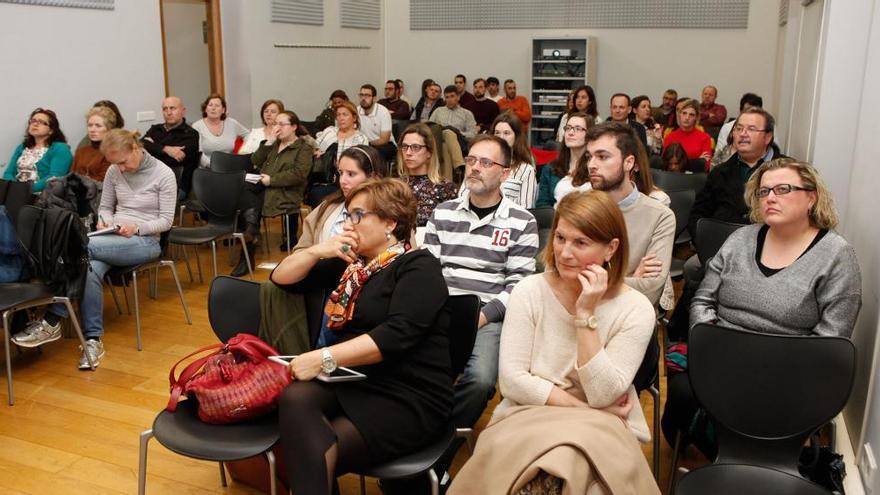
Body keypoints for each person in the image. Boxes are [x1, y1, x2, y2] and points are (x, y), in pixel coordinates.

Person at [449, 190, 659, 494]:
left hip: (604, 425)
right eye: (560, 238)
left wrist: (585, 315)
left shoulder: (636, 308)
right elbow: (513, 382)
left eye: (581, 242)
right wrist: (585, 409)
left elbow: (602, 393)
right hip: (528, 412)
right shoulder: (529, 291)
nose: (565, 253)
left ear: (611, 248)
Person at [662, 158, 862, 454]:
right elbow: (703, 299)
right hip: (722, 358)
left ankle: (751, 460)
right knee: (682, 392)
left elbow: (830, 340)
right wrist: (710, 341)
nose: (770, 197)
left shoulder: (836, 256)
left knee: (758, 414)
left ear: (811, 197)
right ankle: (726, 454)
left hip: (787, 372)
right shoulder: (740, 240)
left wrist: (772, 368)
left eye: (782, 189)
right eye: (763, 191)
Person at [271, 178, 453, 495]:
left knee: (310, 451)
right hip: (357, 380)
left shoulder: (419, 267)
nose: (349, 223)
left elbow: (396, 335)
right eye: (348, 215)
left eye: (358, 215)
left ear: (390, 222)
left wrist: (323, 357)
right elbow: (281, 278)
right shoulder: (355, 266)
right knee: (295, 398)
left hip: (409, 392)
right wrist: (317, 250)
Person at [423, 134, 539, 489]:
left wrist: (482, 316)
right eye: (472, 160)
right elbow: (427, 272)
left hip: (487, 316)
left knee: (481, 380)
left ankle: (435, 458)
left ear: (505, 174)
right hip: (440, 310)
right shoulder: (443, 212)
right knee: (409, 369)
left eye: (486, 163)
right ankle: (412, 446)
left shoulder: (521, 221)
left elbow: (518, 285)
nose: (474, 167)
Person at [11, 130, 176, 368]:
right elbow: (106, 206)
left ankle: (52, 319)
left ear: (136, 148)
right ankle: (92, 341)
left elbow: (166, 221)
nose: (120, 168)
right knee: (88, 268)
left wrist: (136, 228)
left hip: (145, 241)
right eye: (115, 164)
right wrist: (105, 220)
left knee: (79, 247)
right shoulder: (114, 170)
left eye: (123, 162)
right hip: (110, 238)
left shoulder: (163, 173)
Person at [258, 145, 386, 355]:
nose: (342, 180)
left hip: (366, 292)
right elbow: (298, 256)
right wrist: (320, 250)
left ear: (374, 177)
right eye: (340, 173)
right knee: (278, 288)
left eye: (351, 174)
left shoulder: (389, 215)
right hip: (321, 285)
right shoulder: (326, 209)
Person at [585, 122, 676, 307]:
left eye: (602, 157)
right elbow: (562, 277)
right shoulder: (579, 208)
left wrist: (594, 283)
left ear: (629, 162)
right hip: (578, 310)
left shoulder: (660, 216)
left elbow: (650, 290)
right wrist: (630, 279)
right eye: (589, 157)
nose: (591, 165)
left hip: (630, 317)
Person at [231, 110, 315, 276]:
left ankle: (247, 249)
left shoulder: (303, 148)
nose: (277, 127)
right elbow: (254, 160)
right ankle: (250, 235)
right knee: (243, 190)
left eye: (282, 124)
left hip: (284, 191)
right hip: (263, 186)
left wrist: (272, 180)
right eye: (275, 123)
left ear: (293, 127)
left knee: (249, 205)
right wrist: (269, 141)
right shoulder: (273, 144)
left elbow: (299, 174)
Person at [459, 111, 536, 208]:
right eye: (497, 133)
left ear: (516, 137)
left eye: (506, 133)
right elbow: (462, 196)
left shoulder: (526, 170)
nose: (501, 137)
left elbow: (526, 209)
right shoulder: (476, 164)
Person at [395, 123, 457, 226]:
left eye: (415, 147)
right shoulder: (394, 187)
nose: (408, 153)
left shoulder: (445, 188)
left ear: (429, 152)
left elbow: (452, 228)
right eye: (405, 146)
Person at [141, 96, 201, 199]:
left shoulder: (191, 134)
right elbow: (141, 144)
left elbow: (173, 161)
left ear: (183, 111)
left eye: (172, 108)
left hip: (176, 185)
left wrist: (153, 147)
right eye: (165, 109)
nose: (168, 112)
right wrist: (166, 149)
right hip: (150, 180)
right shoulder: (155, 129)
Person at [4, 108, 72, 193]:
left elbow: (54, 177)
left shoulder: (60, 149)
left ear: (51, 130)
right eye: (33, 121)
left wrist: (25, 191)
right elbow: (8, 173)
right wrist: (12, 189)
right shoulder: (22, 147)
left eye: (41, 122)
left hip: (42, 198)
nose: (35, 124)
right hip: (15, 194)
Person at [536, 112, 592, 208]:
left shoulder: (595, 168)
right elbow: (542, 206)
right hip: (555, 220)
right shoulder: (550, 168)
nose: (570, 133)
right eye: (568, 128)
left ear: (589, 134)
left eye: (578, 129)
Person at [429, 85, 477, 180]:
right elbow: (429, 128)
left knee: (447, 140)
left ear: (458, 97)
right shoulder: (438, 111)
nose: (449, 100)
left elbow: (473, 134)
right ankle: (459, 165)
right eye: (447, 97)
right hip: (437, 141)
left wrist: (458, 133)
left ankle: (446, 184)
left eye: (452, 96)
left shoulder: (466, 113)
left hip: (459, 143)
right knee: (447, 134)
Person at [191, 93, 249, 168]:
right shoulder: (197, 126)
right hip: (207, 170)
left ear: (223, 110)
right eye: (210, 105)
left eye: (217, 106)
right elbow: (198, 152)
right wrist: (213, 166)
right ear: (205, 109)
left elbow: (248, 134)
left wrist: (243, 150)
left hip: (230, 167)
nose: (213, 108)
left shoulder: (232, 123)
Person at [712, 92, 764, 167]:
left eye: (755, 112)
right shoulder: (728, 127)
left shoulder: (767, 127)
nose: (751, 115)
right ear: (740, 111)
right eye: (747, 110)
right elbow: (719, 154)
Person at [663, 98, 713, 171]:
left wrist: (680, 163)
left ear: (696, 118)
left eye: (691, 115)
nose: (687, 118)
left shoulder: (705, 138)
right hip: (672, 177)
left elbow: (706, 166)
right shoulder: (669, 137)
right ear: (679, 115)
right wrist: (696, 162)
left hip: (694, 179)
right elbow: (666, 165)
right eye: (684, 113)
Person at [71, 106, 116, 182]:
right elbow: (71, 176)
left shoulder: (113, 151)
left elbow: (104, 181)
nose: (92, 130)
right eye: (90, 125)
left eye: (98, 126)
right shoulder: (81, 151)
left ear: (109, 129)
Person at [357, 84, 396, 164]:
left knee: (376, 153)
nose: (363, 98)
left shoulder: (383, 112)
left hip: (385, 145)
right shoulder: (356, 111)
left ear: (374, 98)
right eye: (361, 95)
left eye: (367, 95)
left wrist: (368, 144)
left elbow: (384, 139)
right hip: (365, 144)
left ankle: (377, 176)